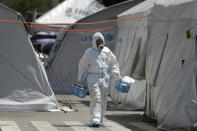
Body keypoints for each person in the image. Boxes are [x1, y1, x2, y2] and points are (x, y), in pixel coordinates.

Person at [78, 32, 121, 127]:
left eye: (100, 41)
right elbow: (83, 65)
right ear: (94, 41)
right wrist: (80, 79)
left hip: (105, 78)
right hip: (93, 78)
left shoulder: (107, 51)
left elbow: (114, 63)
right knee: (96, 98)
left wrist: (116, 74)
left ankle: (101, 118)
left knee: (103, 99)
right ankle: (95, 119)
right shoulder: (89, 52)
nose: (99, 42)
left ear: (103, 41)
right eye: (97, 41)